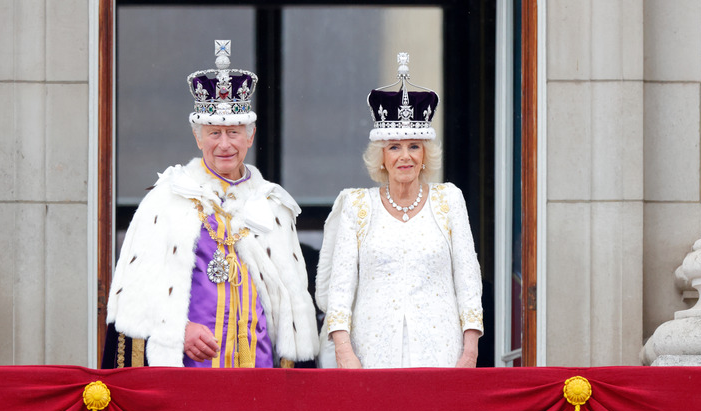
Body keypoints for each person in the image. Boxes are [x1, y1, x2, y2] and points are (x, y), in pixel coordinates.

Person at [102, 40, 319, 368]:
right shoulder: (165, 200)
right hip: (190, 369)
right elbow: (133, 299)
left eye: (233, 132)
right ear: (197, 136)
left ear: (251, 135)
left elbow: (291, 307)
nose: (224, 144)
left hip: (259, 374)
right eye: (214, 132)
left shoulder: (274, 204)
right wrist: (178, 329)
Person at [316, 53, 483, 369]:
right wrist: (344, 351)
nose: (404, 156)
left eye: (414, 146)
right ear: (380, 156)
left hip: (441, 354)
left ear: (425, 154)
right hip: (371, 356)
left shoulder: (449, 200)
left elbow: (468, 281)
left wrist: (469, 352)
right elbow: (339, 289)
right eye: (394, 146)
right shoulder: (357, 205)